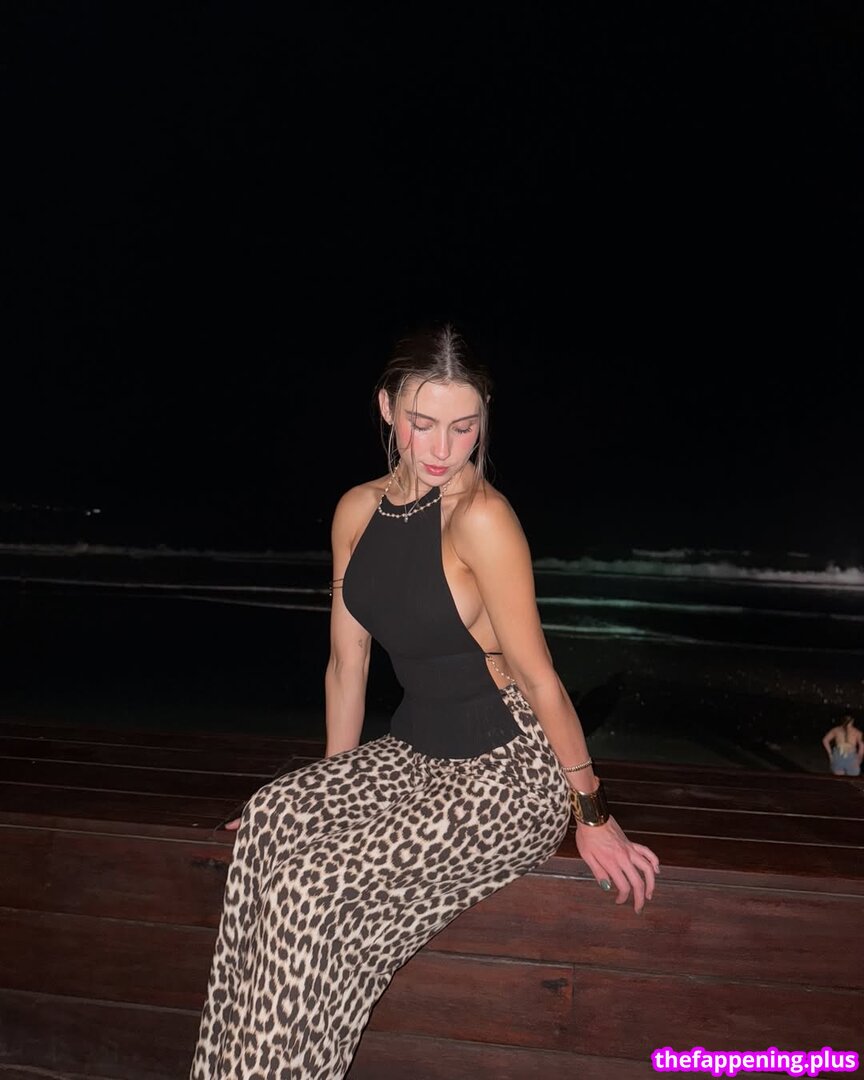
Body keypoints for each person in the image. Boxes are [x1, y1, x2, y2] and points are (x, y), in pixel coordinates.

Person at [190, 326, 659, 1079]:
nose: (442, 448)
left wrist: (593, 814)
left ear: (484, 422)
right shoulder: (357, 510)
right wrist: (326, 791)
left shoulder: (483, 519)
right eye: (422, 422)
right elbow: (346, 664)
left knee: (311, 887)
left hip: (508, 769)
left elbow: (539, 677)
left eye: (464, 427)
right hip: (418, 748)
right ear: (387, 408)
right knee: (272, 820)